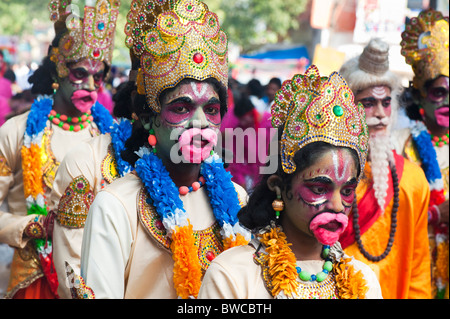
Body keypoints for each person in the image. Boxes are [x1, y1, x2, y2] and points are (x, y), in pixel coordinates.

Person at [69, 0, 250, 299]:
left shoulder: (238, 198)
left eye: (213, 109)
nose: (200, 122)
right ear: (151, 119)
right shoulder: (116, 206)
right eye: (182, 107)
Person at [198, 64, 382, 299]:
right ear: (279, 187)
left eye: (347, 191)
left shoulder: (363, 281)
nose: (337, 206)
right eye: (319, 188)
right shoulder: (233, 275)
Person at [0, 0, 119, 299]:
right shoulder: (16, 132)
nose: (91, 86)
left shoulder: (113, 136)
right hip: (35, 279)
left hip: (100, 278)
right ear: (58, 73)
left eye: (99, 77)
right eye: (80, 74)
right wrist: (34, 225)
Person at [338, 38, 431, 299]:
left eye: (386, 102)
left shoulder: (413, 180)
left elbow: (419, 268)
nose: (380, 113)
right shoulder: (324, 176)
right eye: (368, 103)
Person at [393, 9, 449, 299]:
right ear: (418, 95)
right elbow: (382, 215)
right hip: (411, 267)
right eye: (440, 92)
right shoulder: (397, 144)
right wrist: (435, 213)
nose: (448, 101)